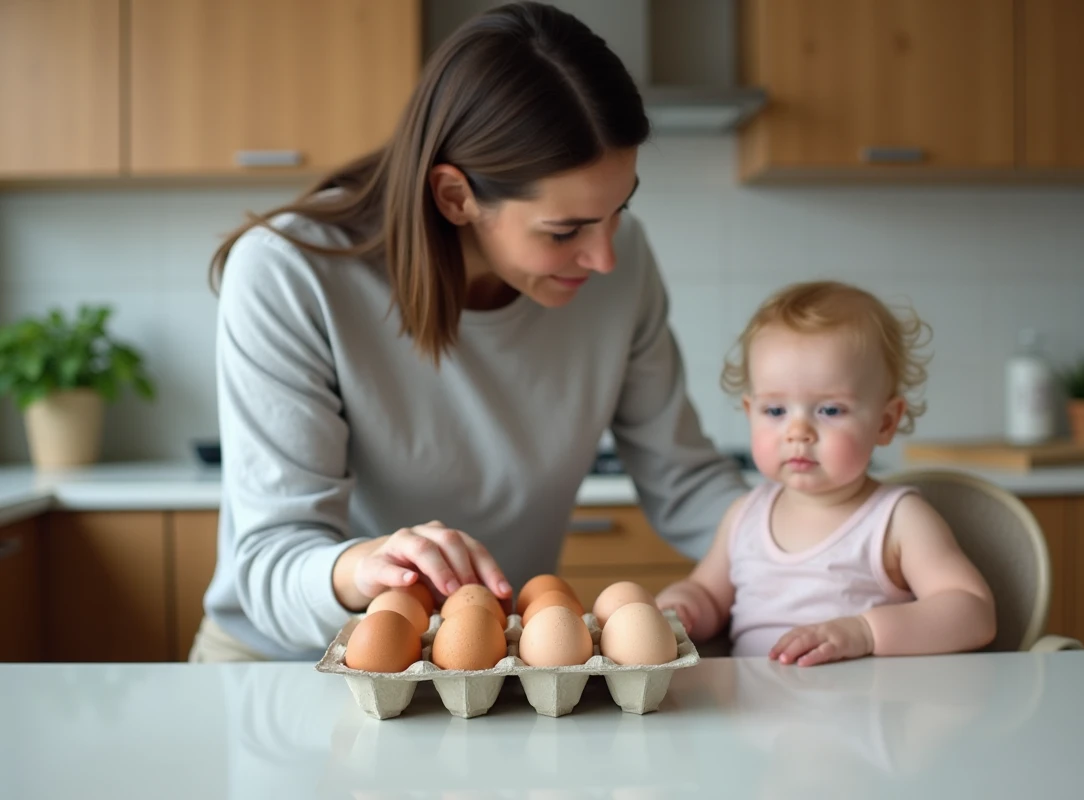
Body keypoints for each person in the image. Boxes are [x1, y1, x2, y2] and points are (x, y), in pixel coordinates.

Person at [189, 1, 747, 663]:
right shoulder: (289, 271)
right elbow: (269, 562)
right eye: (564, 231)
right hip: (286, 662)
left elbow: (683, 478)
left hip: (489, 664)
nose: (604, 258)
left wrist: (815, 533)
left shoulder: (623, 264)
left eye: (618, 209)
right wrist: (367, 566)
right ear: (456, 196)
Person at [656, 281, 996, 665]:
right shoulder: (743, 516)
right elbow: (708, 595)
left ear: (885, 422)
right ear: (750, 412)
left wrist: (865, 632)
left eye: (830, 410)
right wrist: (683, 606)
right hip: (751, 703)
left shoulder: (897, 520)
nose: (798, 432)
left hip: (865, 701)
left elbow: (973, 612)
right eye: (775, 411)